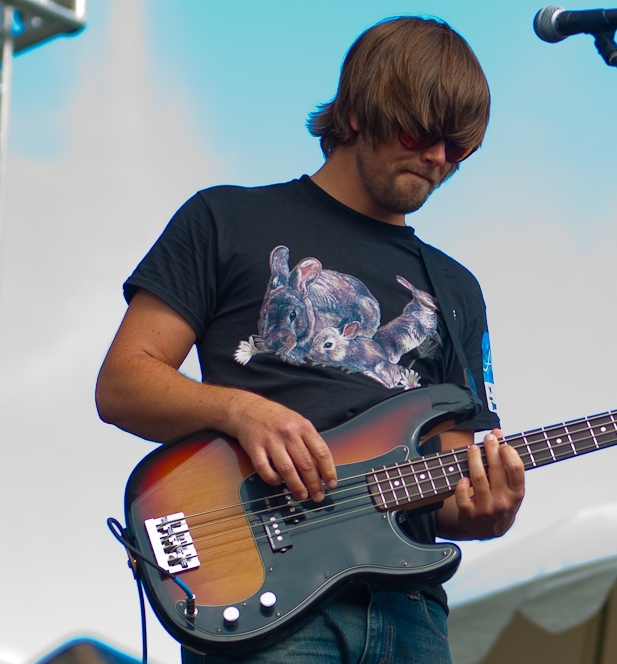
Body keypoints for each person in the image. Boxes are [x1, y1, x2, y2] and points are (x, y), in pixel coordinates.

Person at [96, 16, 524, 664]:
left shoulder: (455, 288)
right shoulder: (226, 219)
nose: (438, 158)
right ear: (356, 112)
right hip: (263, 589)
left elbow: (451, 480)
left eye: (458, 149)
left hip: (410, 614)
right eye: (419, 133)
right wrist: (240, 410)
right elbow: (124, 381)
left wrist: (486, 511)